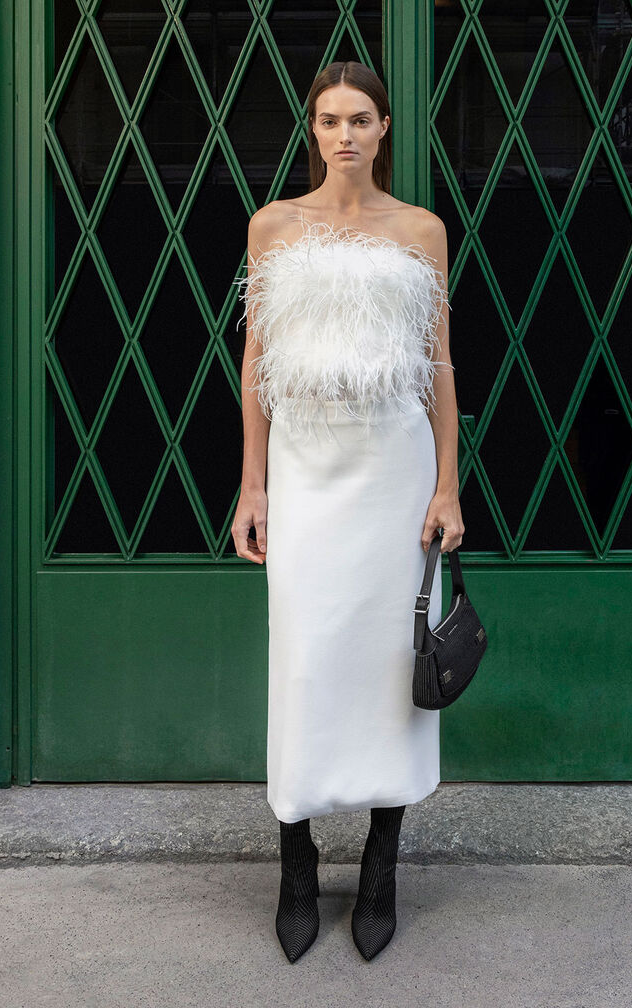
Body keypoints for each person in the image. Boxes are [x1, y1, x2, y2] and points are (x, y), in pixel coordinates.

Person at [232, 60, 464, 963]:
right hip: (305, 464)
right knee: (304, 659)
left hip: (393, 468)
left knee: (387, 666)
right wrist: (253, 485)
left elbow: (439, 362)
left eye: (360, 119)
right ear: (312, 127)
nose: (343, 135)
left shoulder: (420, 230)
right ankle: (295, 860)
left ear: (384, 127)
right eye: (329, 119)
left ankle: (382, 860)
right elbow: (256, 362)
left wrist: (448, 484)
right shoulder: (273, 225)